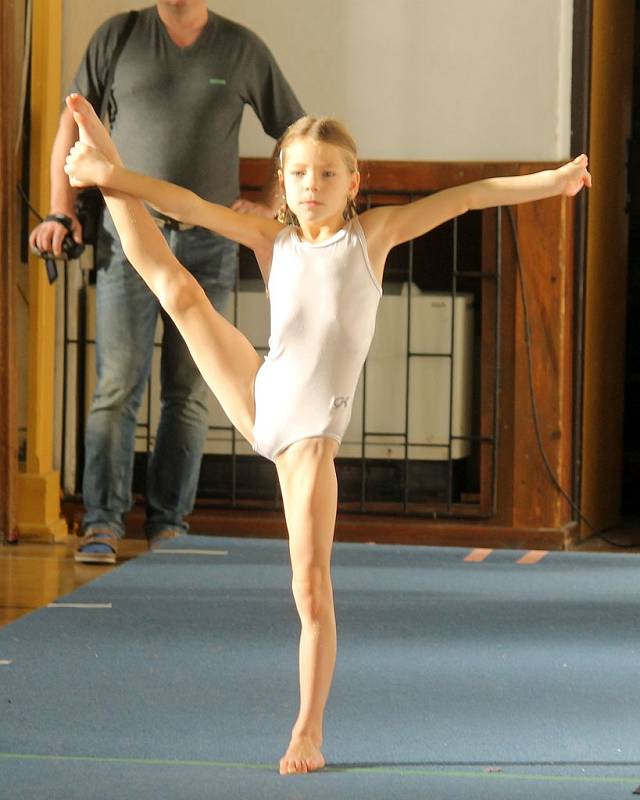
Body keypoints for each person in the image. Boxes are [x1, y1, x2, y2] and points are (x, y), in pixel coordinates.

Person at [63, 92, 591, 775]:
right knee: (177, 288)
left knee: (310, 590)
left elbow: (471, 195)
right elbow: (188, 205)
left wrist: (552, 180)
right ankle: (100, 157)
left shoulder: (373, 236)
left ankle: (307, 730)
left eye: (327, 174)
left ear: (354, 182)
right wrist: (111, 175)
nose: (311, 185)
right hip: (261, 394)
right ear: (282, 180)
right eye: (299, 172)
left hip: (308, 438)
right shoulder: (271, 239)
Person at [29, 1, 304, 564]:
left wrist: (273, 208)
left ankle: (169, 527)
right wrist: (61, 212)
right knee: (116, 387)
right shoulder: (119, 35)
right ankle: (101, 524)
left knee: (191, 391)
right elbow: (70, 128)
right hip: (129, 235)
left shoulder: (241, 47)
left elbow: (297, 132)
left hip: (208, 243)